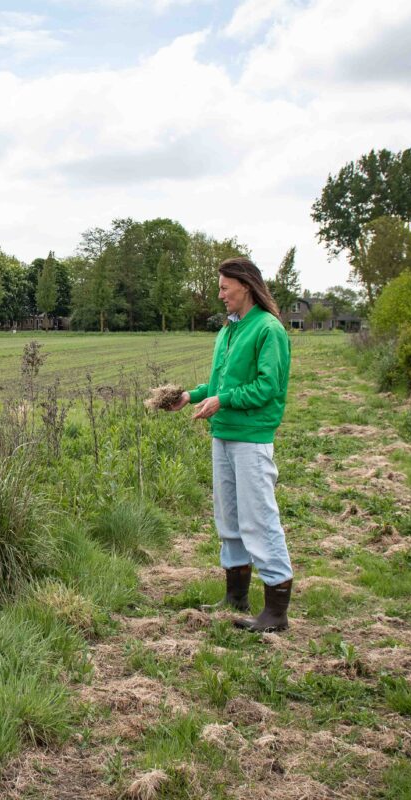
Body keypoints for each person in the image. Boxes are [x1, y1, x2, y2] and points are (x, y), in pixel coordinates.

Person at [166, 257, 294, 633]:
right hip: (222, 434)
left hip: (251, 438)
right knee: (229, 519)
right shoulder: (228, 331)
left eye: (225, 287)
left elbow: (268, 387)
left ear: (246, 286)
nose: (219, 294)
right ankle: (236, 596)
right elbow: (220, 385)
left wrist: (223, 401)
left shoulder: (268, 330)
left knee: (259, 518)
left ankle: (276, 610)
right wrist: (191, 395)